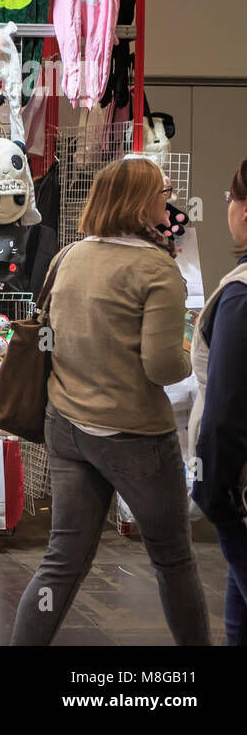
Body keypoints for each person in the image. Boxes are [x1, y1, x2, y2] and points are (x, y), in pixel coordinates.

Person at [11, 156, 210, 645]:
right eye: (164, 192)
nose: (170, 200)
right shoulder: (156, 270)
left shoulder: (69, 257)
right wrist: (193, 354)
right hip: (136, 435)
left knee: (62, 561)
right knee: (173, 560)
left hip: (66, 425)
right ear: (143, 202)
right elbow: (162, 368)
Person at [191, 159, 247, 644]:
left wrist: (211, 489)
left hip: (241, 487)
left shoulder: (240, 293)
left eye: (231, 198)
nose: (227, 207)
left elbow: (225, 405)